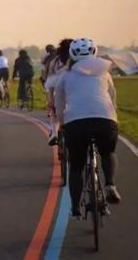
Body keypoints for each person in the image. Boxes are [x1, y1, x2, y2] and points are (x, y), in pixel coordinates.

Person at [55, 37, 121, 219]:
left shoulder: (65, 76)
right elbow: (112, 99)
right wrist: (113, 120)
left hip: (76, 124)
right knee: (107, 153)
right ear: (95, 51)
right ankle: (110, 185)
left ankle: (75, 208)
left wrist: (62, 123)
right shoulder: (105, 74)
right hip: (105, 120)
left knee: (76, 166)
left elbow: (59, 103)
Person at [44, 39, 72, 145]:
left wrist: (50, 99)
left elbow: (50, 82)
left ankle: (54, 132)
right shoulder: (77, 61)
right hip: (72, 92)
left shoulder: (54, 61)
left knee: (53, 110)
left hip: (56, 89)